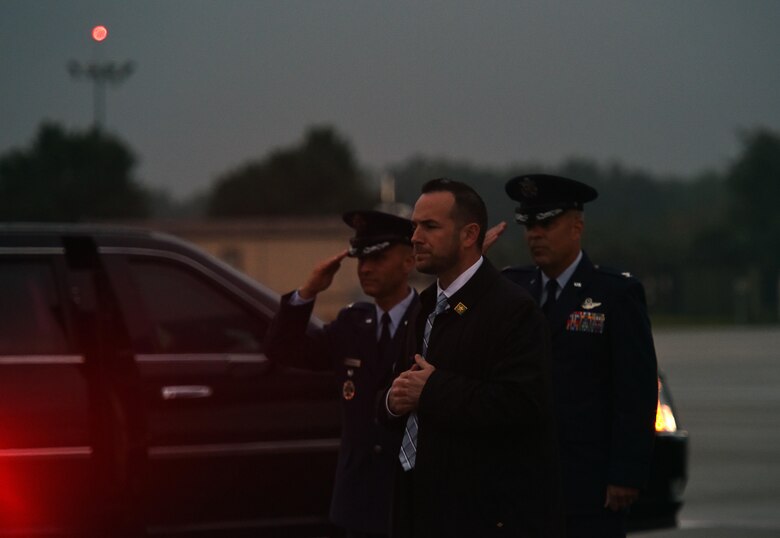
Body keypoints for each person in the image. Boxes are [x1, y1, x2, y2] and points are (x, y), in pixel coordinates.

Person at [382, 178, 563, 538]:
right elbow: (400, 391)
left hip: (482, 516)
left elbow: (522, 405)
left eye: (430, 226)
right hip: (420, 509)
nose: (416, 237)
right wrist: (391, 401)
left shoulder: (512, 310)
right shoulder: (423, 307)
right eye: (414, 226)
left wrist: (432, 389)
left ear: (469, 235)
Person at [502, 173, 659, 538]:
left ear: (576, 227)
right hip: (521, 485)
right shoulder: (511, 288)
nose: (534, 234)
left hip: (587, 485)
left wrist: (626, 473)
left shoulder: (615, 294)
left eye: (546, 223)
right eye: (528, 225)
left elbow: (635, 392)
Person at [264, 210, 418, 538]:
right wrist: (308, 291)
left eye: (378, 258)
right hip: (359, 499)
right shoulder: (352, 323)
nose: (366, 268)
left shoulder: (430, 320)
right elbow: (282, 349)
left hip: (411, 495)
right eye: (361, 259)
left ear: (408, 262)